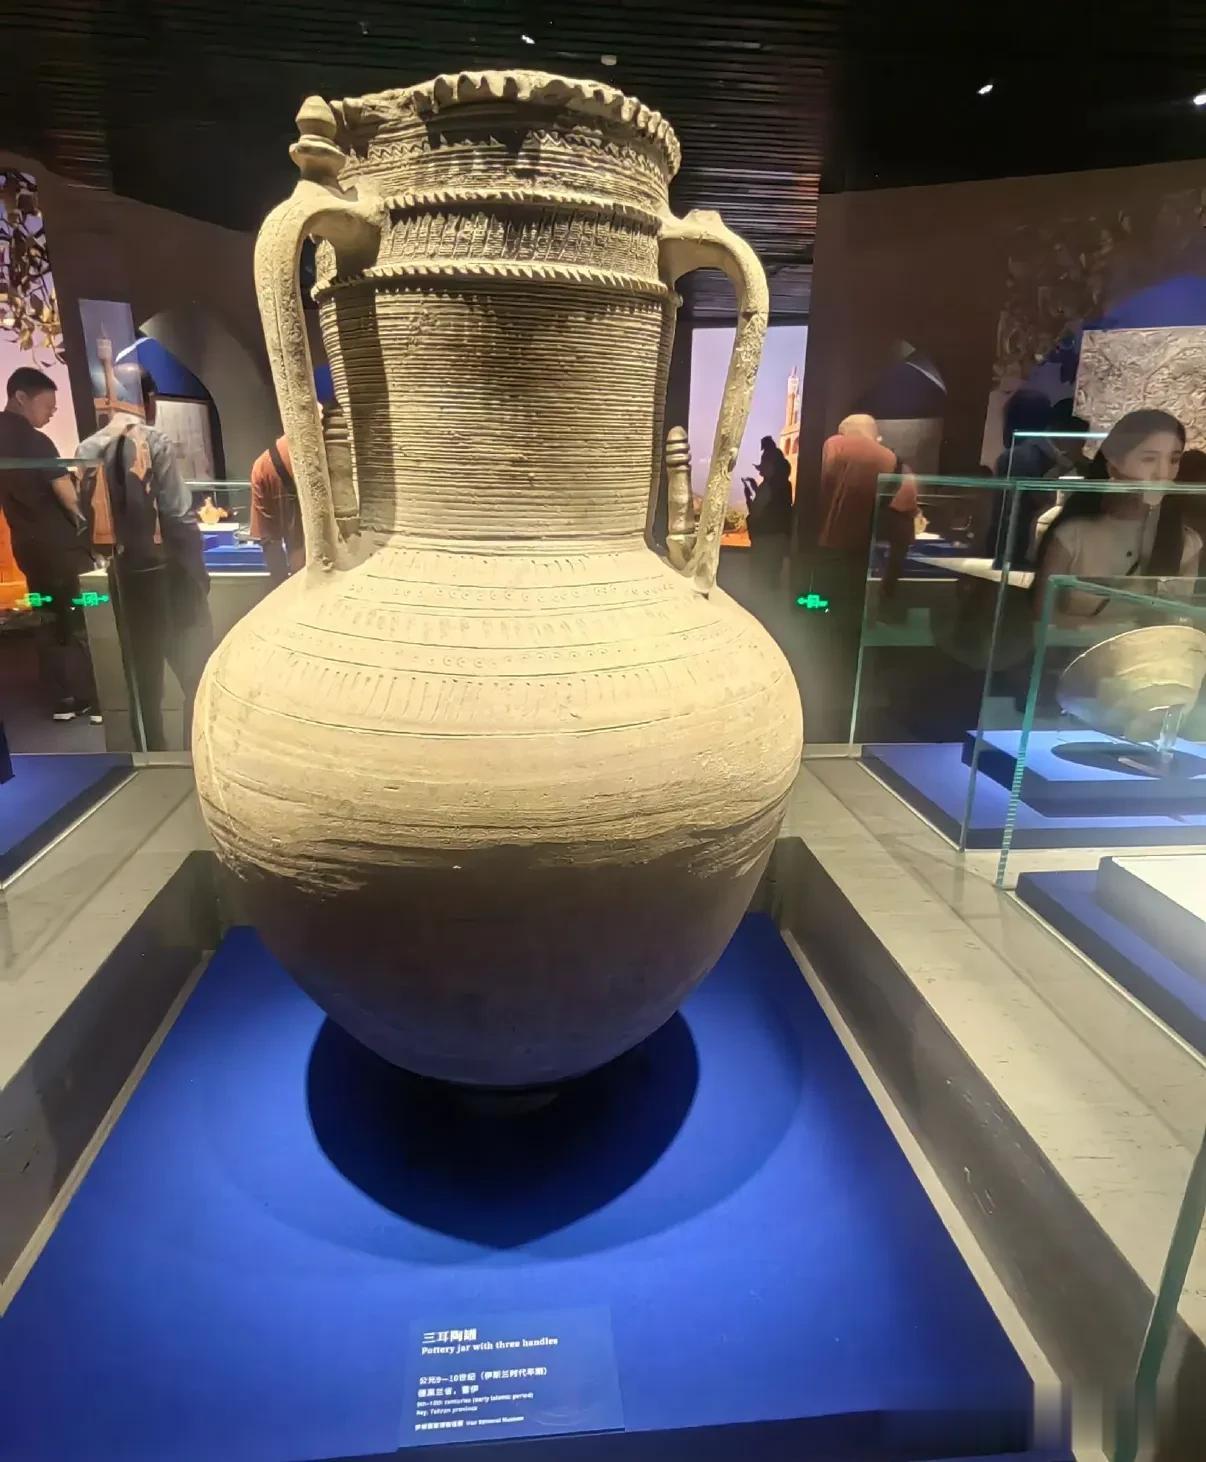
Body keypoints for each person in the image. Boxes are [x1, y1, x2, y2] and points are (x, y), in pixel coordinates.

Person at [76, 369, 212, 750]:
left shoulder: (88, 448)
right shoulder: (155, 440)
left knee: (143, 685)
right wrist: (198, 574)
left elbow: (85, 522)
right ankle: (196, 756)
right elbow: (178, 516)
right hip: (170, 574)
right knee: (197, 674)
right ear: (147, 400)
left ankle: (153, 759)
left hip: (126, 576)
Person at [1030, 408, 1199, 624]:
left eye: (1173, 460)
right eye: (1149, 459)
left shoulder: (1185, 542)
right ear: (1113, 467)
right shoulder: (1072, 537)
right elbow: (1043, 616)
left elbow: (1179, 620)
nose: (1163, 473)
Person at [0, 366, 99, 721]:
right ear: (20, 397)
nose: (53, 412)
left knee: (46, 617)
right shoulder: (36, 442)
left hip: (28, 550)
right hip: (64, 552)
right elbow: (67, 497)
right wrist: (89, 528)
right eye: (48, 405)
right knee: (85, 613)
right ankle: (95, 698)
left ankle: (63, 700)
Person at [250, 432, 304, 585]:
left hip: (295, 580)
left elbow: (268, 538)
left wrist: (282, 586)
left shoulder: (261, 466)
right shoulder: (326, 455)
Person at [743, 436, 793, 591]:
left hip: (764, 541)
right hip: (779, 541)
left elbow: (756, 512)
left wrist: (748, 497)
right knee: (772, 581)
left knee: (760, 584)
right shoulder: (785, 485)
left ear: (771, 466)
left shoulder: (768, 486)